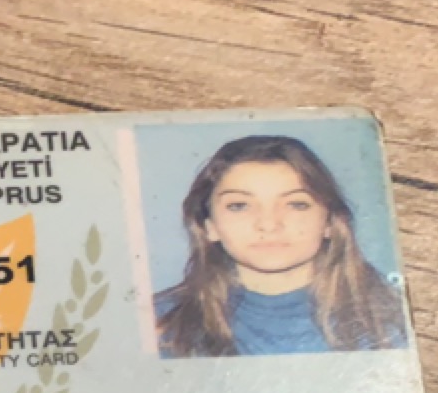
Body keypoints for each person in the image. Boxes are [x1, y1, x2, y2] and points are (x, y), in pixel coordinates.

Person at [154, 135, 407, 358]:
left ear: (330, 222)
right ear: (209, 226)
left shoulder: (393, 320)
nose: (269, 224)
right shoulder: (159, 326)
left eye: (296, 204)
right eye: (239, 206)